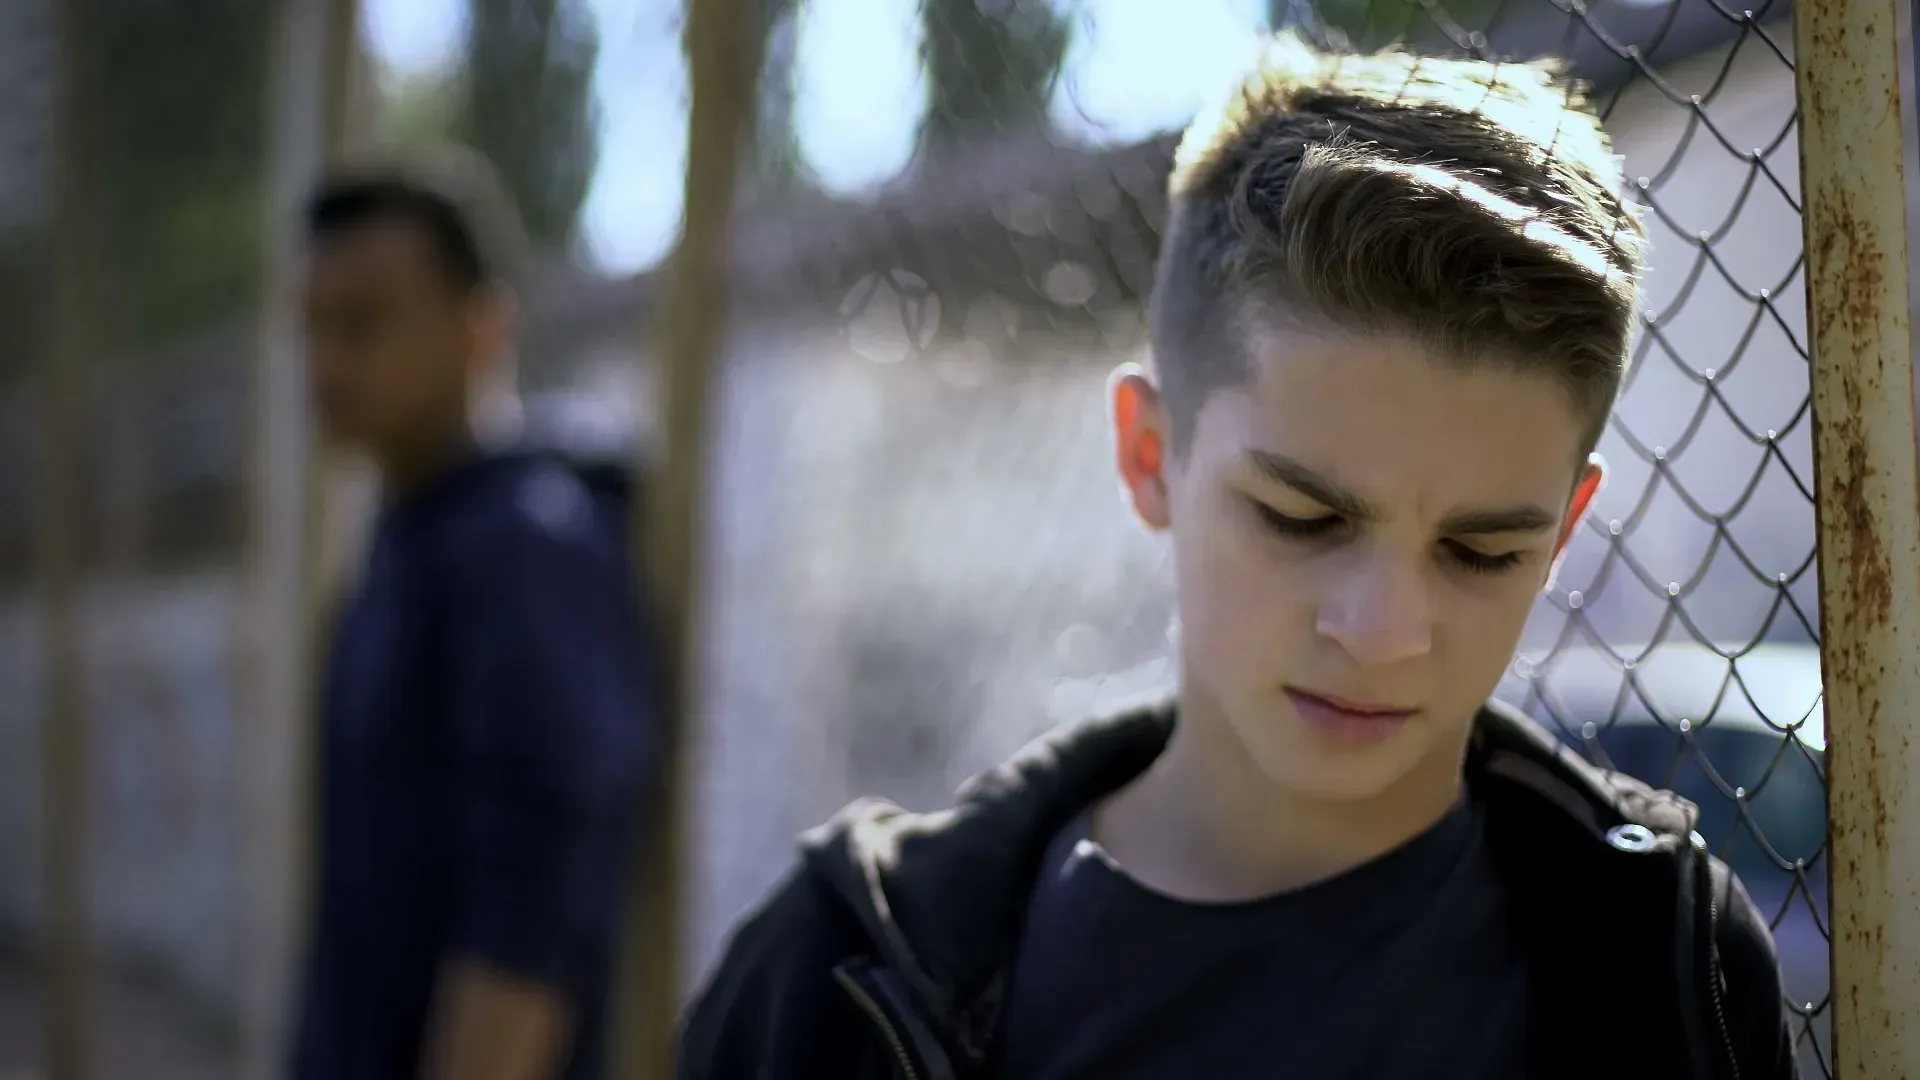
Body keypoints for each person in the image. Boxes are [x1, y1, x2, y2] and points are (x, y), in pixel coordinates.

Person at [675, 35, 1797, 1080]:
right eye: (1302, 520)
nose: (1383, 631)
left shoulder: (1675, 964)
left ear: (1562, 533)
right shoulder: (830, 984)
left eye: (1480, 550)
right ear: (1149, 454)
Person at [290, 147, 658, 1080]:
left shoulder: (524, 544)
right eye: (314, 326)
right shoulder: (413, 535)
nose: (327, 362)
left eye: (364, 322)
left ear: (481, 329)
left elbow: (537, 906)